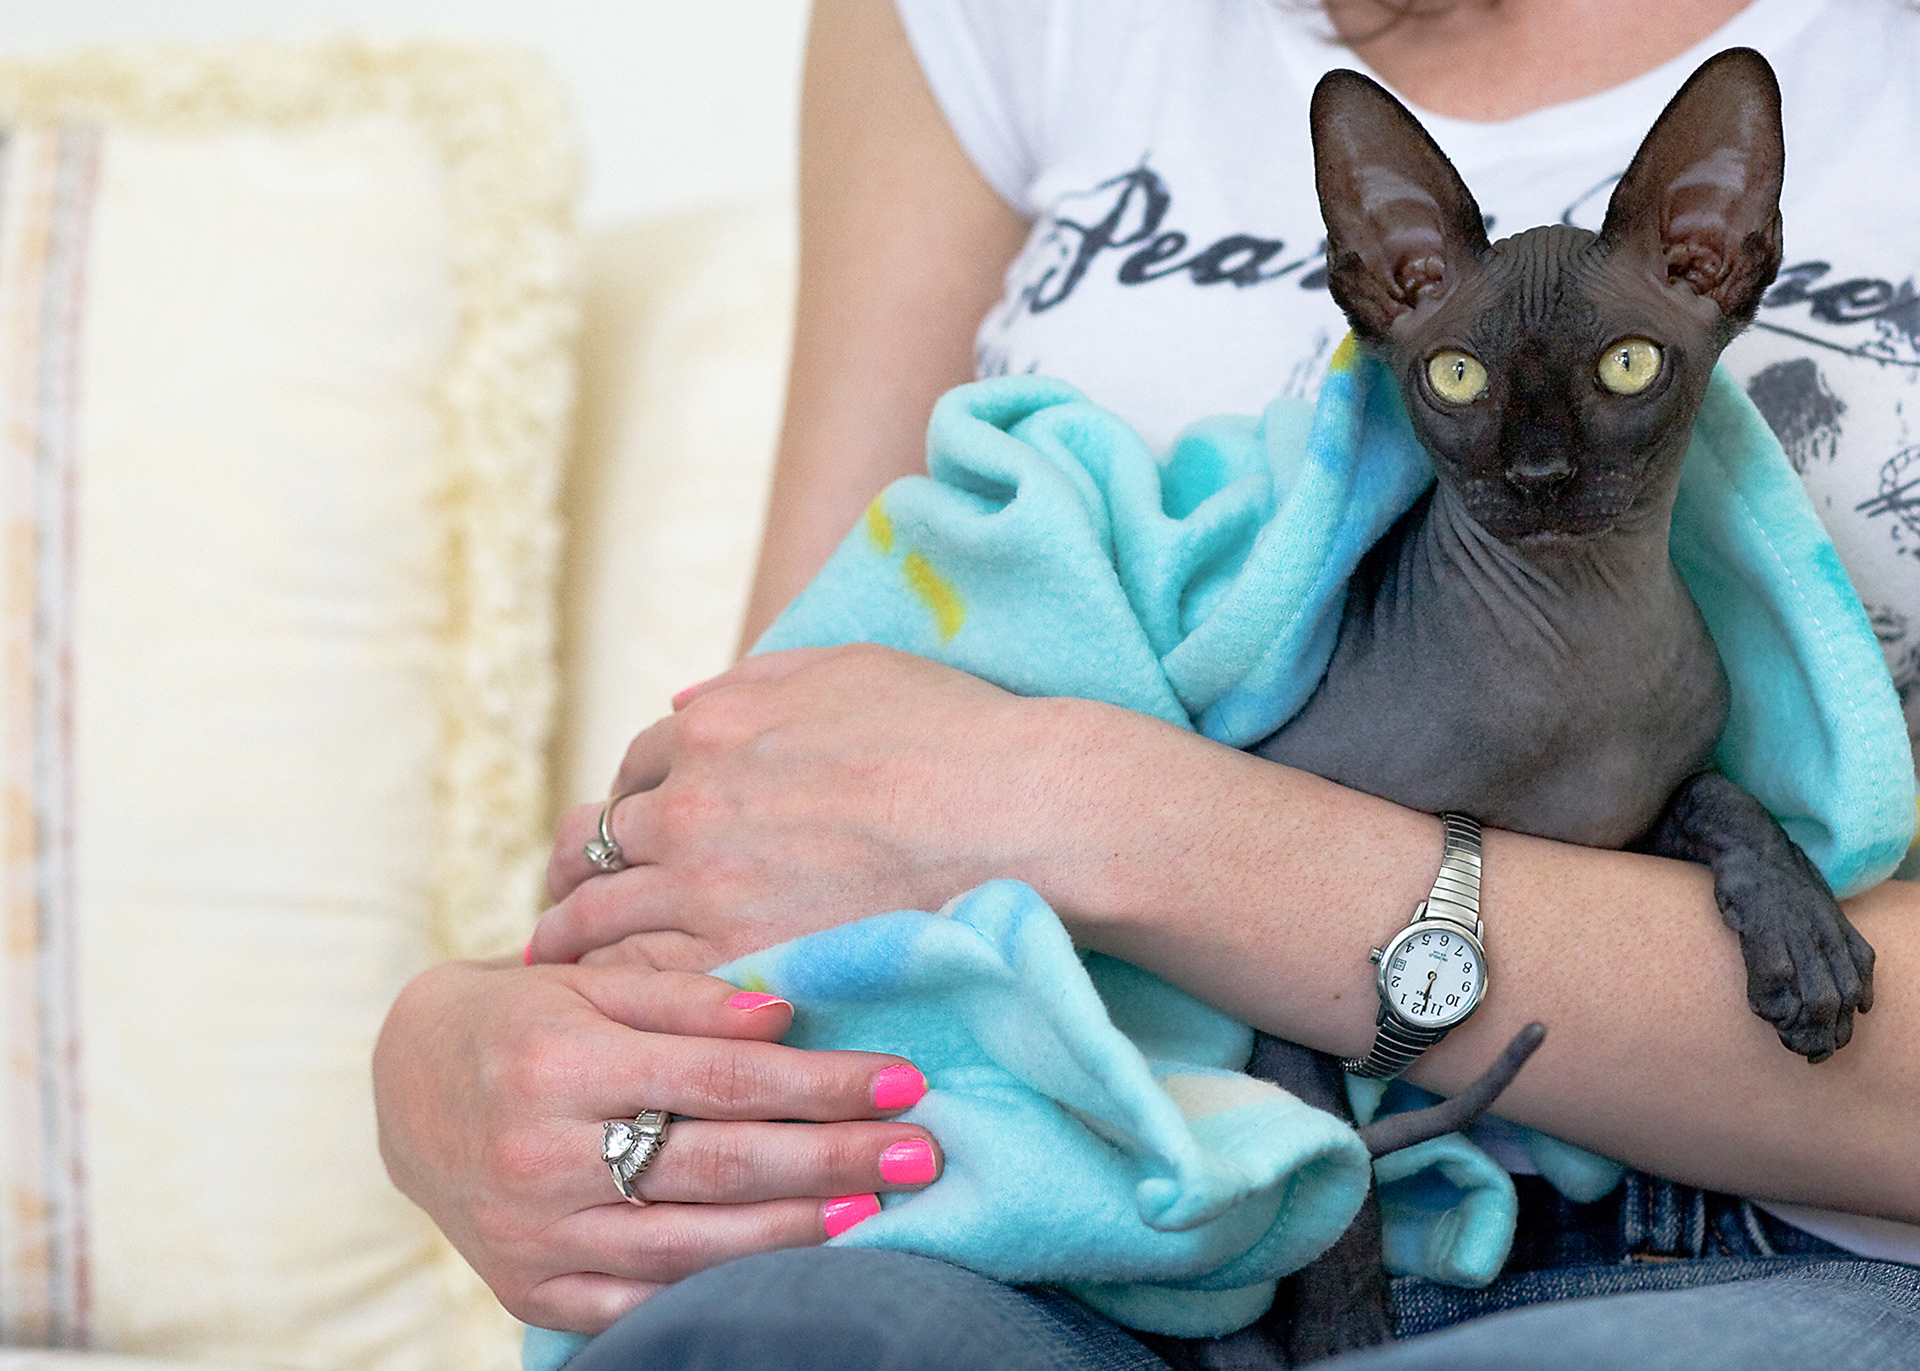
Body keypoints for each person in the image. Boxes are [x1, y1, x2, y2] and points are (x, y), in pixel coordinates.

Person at [372, 0, 1920, 1365]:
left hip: (1768, 1242)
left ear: (1721, 255)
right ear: (1384, 284)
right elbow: (780, 764)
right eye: (1457, 380)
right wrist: (463, 1039)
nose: (1531, 452)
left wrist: (1100, 816)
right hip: (1100, 1209)